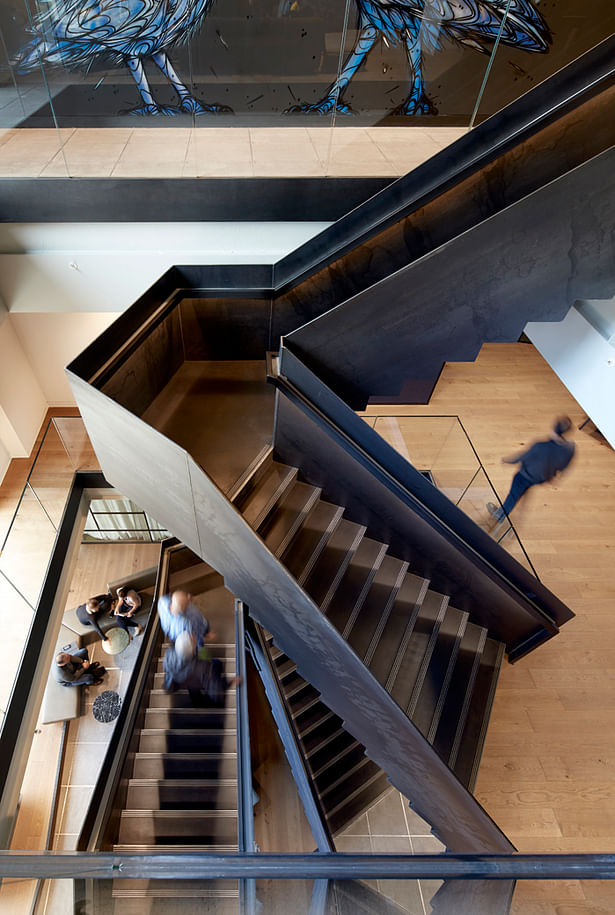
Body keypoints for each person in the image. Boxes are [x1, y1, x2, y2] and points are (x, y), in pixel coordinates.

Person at [487, 416, 575, 522]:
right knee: (519, 492)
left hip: (525, 475)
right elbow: (564, 467)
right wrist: (556, 478)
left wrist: (507, 461)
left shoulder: (540, 446)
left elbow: (523, 457)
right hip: (541, 478)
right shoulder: (570, 448)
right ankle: (506, 509)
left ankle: (500, 515)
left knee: (514, 495)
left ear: (554, 430)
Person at [162, 631, 239, 707]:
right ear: (192, 650)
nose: (193, 634)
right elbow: (216, 689)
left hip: (185, 680)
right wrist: (230, 682)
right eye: (191, 639)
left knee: (193, 686)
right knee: (217, 664)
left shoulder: (168, 655)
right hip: (198, 678)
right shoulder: (203, 667)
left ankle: (197, 704)